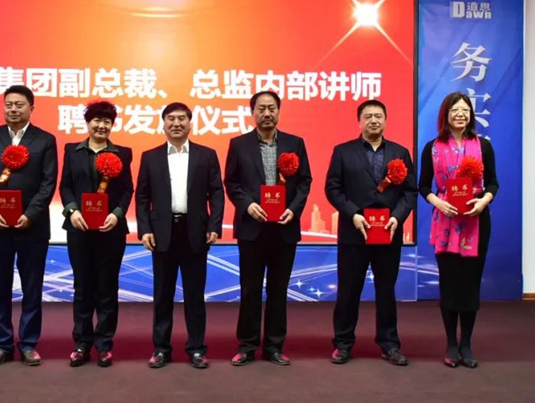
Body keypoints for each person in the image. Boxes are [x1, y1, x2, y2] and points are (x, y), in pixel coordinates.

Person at [324, 99, 416, 366]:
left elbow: (410, 191)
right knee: (348, 290)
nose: (373, 120)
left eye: (378, 116)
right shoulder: (343, 151)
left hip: (388, 233)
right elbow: (333, 189)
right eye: (368, 116)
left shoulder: (400, 152)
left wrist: (397, 217)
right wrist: (353, 214)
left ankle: (389, 344)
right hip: (354, 233)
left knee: (386, 291)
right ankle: (343, 344)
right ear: (359, 121)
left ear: (385, 120)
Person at [225, 90, 312, 366]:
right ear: (252, 112)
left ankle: (274, 346)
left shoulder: (295, 143)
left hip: (284, 227)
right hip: (252, 227)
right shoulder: (239, 145)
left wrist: (293, 209)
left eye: (271, 108)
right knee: (250, 288)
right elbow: (232, 183)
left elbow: (305, 182)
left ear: (278, 111)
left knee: (278, 289)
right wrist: (248, 205)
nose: (267, 113)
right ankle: (247, 345)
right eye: (261, 109)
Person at [136, 102, 224, 369]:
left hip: (195, 232)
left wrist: (214, 225)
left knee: (195, 295)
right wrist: (145, 229)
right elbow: (142, 197)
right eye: (171, 119)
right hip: (162, 233)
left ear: (190, 123)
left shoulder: (206, 155)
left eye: (182, 118)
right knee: (162, 295)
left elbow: (216, 193)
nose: (176, 123)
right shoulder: (150, 157)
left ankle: (196, 348)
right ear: (163, 124)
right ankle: (161, 349)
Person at [0, 85, 58, 367]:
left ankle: (29, 344)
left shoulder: (45, 140)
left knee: (32, 288)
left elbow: (49, 182)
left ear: (31, 108)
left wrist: (31, 214)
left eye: (19, 104)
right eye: (8, 104)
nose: (13, 109)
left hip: (32, 227)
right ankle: (1, 345)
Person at [418, 92, 498, 369]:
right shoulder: (432, 148)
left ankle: (467, 343)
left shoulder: (483, 146)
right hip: (446, 221)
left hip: (476, 221)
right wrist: (438, 202)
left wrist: (483, 201)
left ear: (470, 115)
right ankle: (452, 342)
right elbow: (423, 186)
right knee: (450, 283)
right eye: (455, 110)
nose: (461, 114)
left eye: (465, 110)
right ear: (446, 115)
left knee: (471, 283)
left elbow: (493, 184)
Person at [59, 101, 133, 367]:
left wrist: (117, 214)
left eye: (107, 121)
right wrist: (72, 211)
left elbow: (127, 189)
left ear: (112, 125)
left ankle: (104, 345)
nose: (101, 126)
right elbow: (65, 186)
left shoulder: (123, 153)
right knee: (82, 287)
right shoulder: (72, 150)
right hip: (79, 228)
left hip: (110, 230)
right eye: (96, 120)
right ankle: (81, 343)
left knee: (107, 288)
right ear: (87, 123)